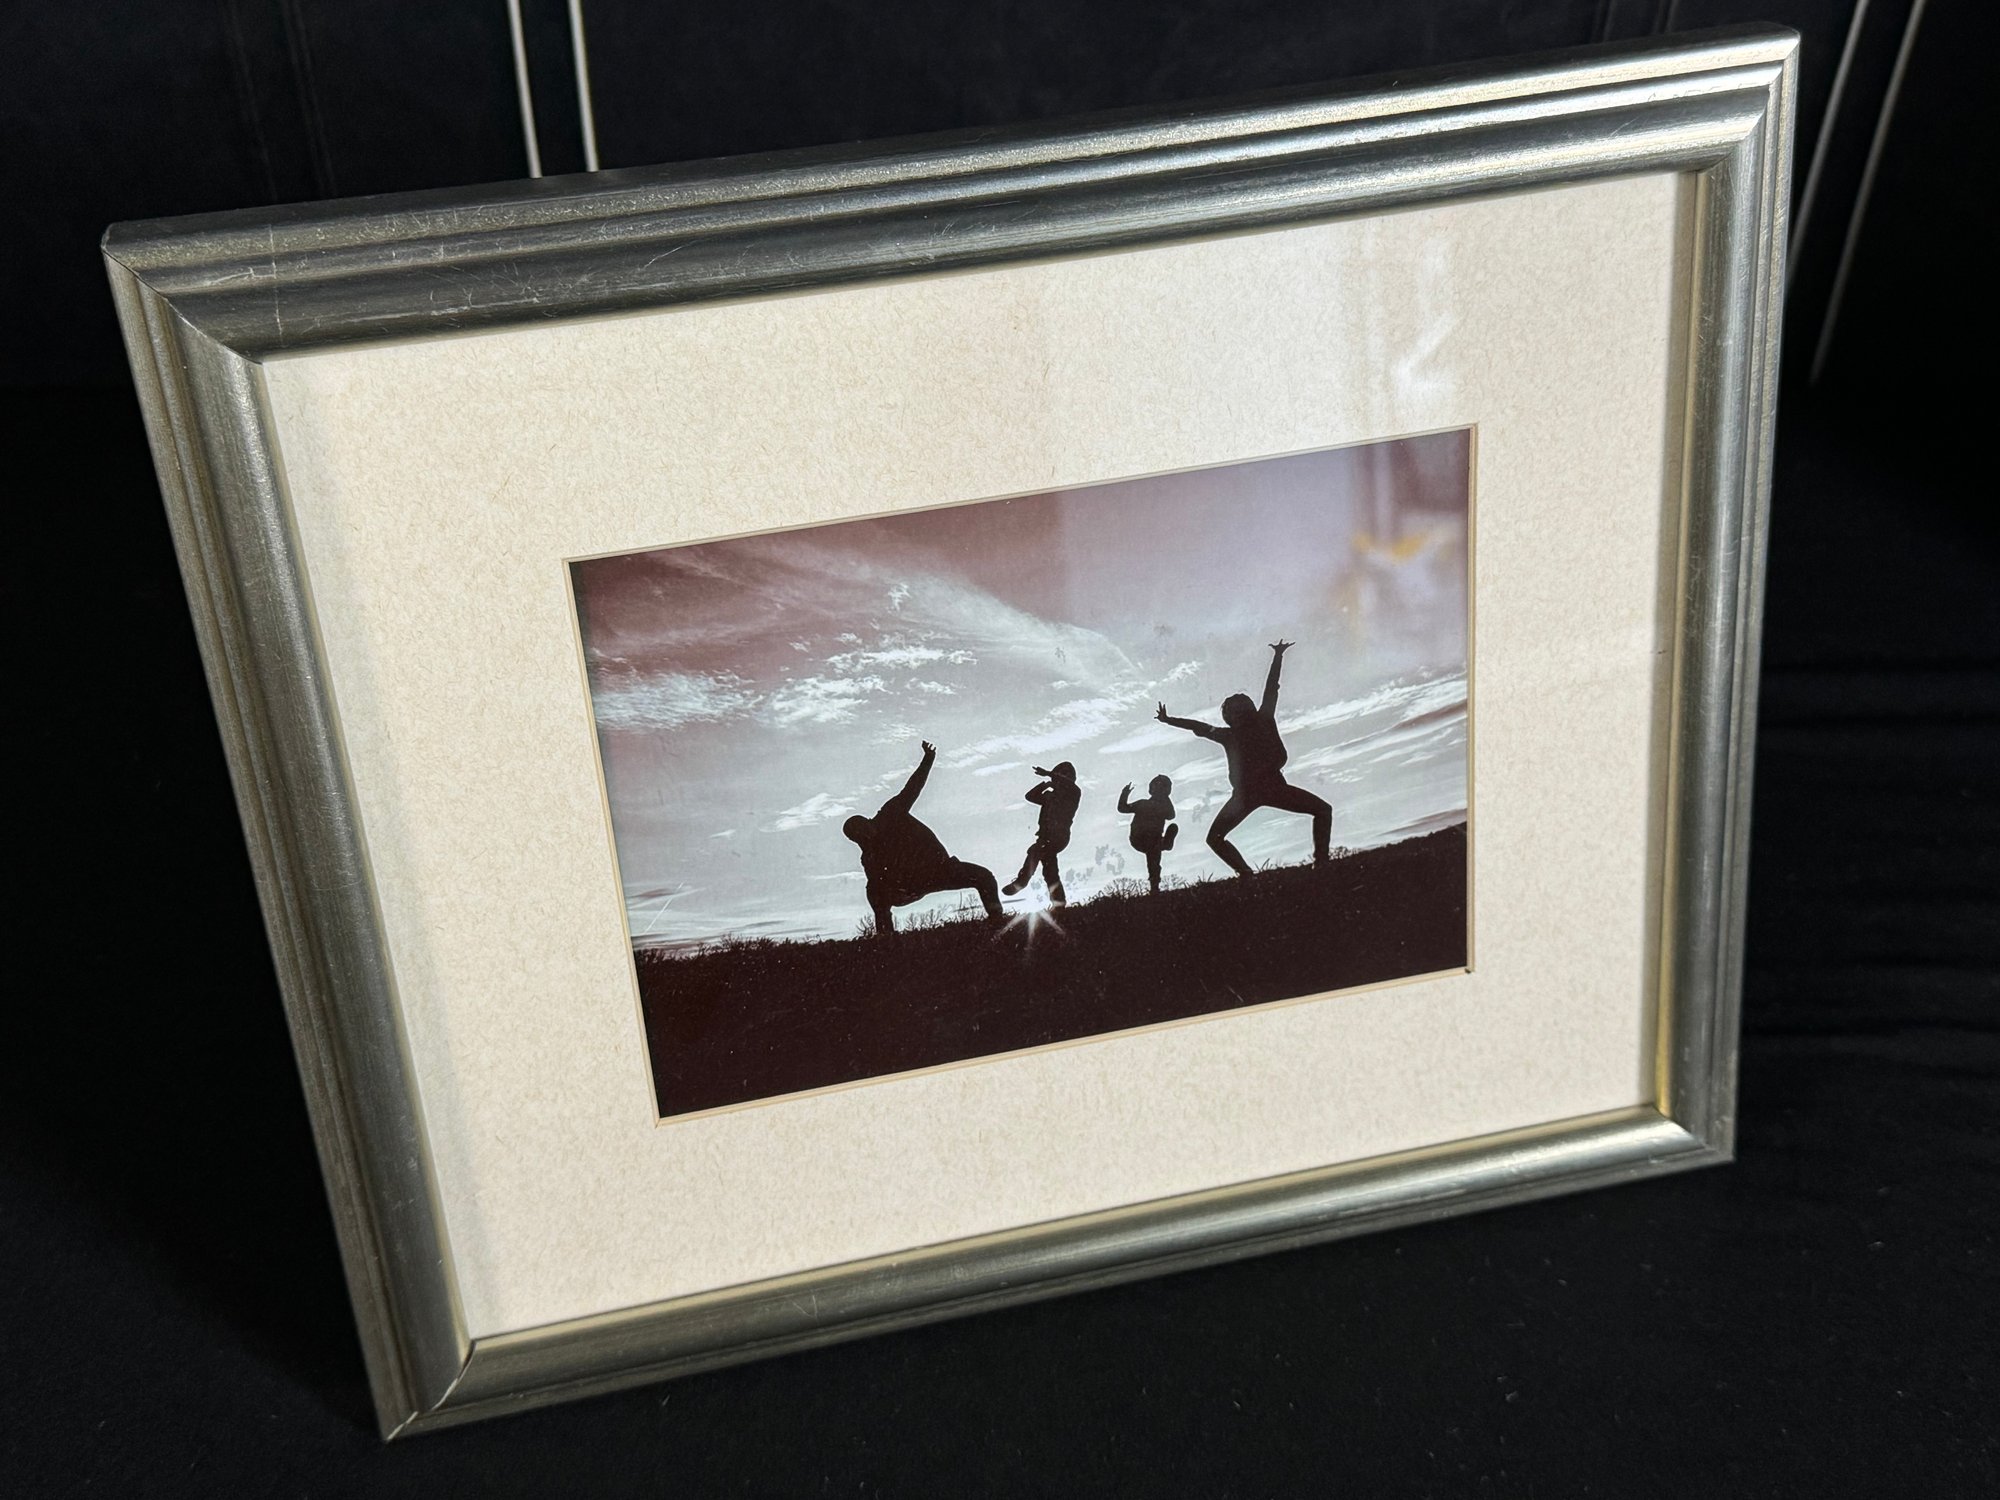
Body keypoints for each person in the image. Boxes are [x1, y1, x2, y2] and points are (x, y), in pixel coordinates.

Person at [1155, 640, 1332, 875]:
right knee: (1215, 838)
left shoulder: (1258, 721)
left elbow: (1271, 688)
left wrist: (1278, 656)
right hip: (1249, 794)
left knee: (1322, 810)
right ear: (1230, 716)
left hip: (1265, 789)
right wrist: (1170, 720)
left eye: (1239, 709)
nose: (1237, 714)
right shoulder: (1234, 732)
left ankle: (1319, 863)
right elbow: (1198, 725)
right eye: (1233, 711)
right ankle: (1250, 873)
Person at [841, 741, 1002, 936]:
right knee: (874, 889)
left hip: (940, 869)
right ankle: (885, 937)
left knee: (984, 877)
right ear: (857, 840)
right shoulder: (869, 855)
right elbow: (880, 885)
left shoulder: (890, 814)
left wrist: (928, 759)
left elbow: (912, 788)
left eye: (864, 829)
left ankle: (996, 920)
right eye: (860, 837)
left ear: (868, 821)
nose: (866, 836)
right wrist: (897, 886)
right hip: (911, 885)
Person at [1001, 761, 1081, 905]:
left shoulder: (1073, 793)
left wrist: (1049, 774)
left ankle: (1022, 881)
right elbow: (1030, 796)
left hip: (1059, 836)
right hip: (1045, 837)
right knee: (1050, 870)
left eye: (1059, 777)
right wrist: (1045, 785)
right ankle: (1059, 902)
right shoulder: (1050, 796)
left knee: (1035, 851)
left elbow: (1068, 784)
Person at [1117, 775, 1179, 893]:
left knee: (1155, 852)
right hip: (1139, 838)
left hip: (1154, 840)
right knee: (1154, 853)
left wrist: (1165, 797)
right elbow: (1122, 808)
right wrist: (1124, 794)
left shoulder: (1161, 807)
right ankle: (1154, 885)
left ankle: (1155, 886)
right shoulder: (1142, 804)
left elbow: (1171, 815)